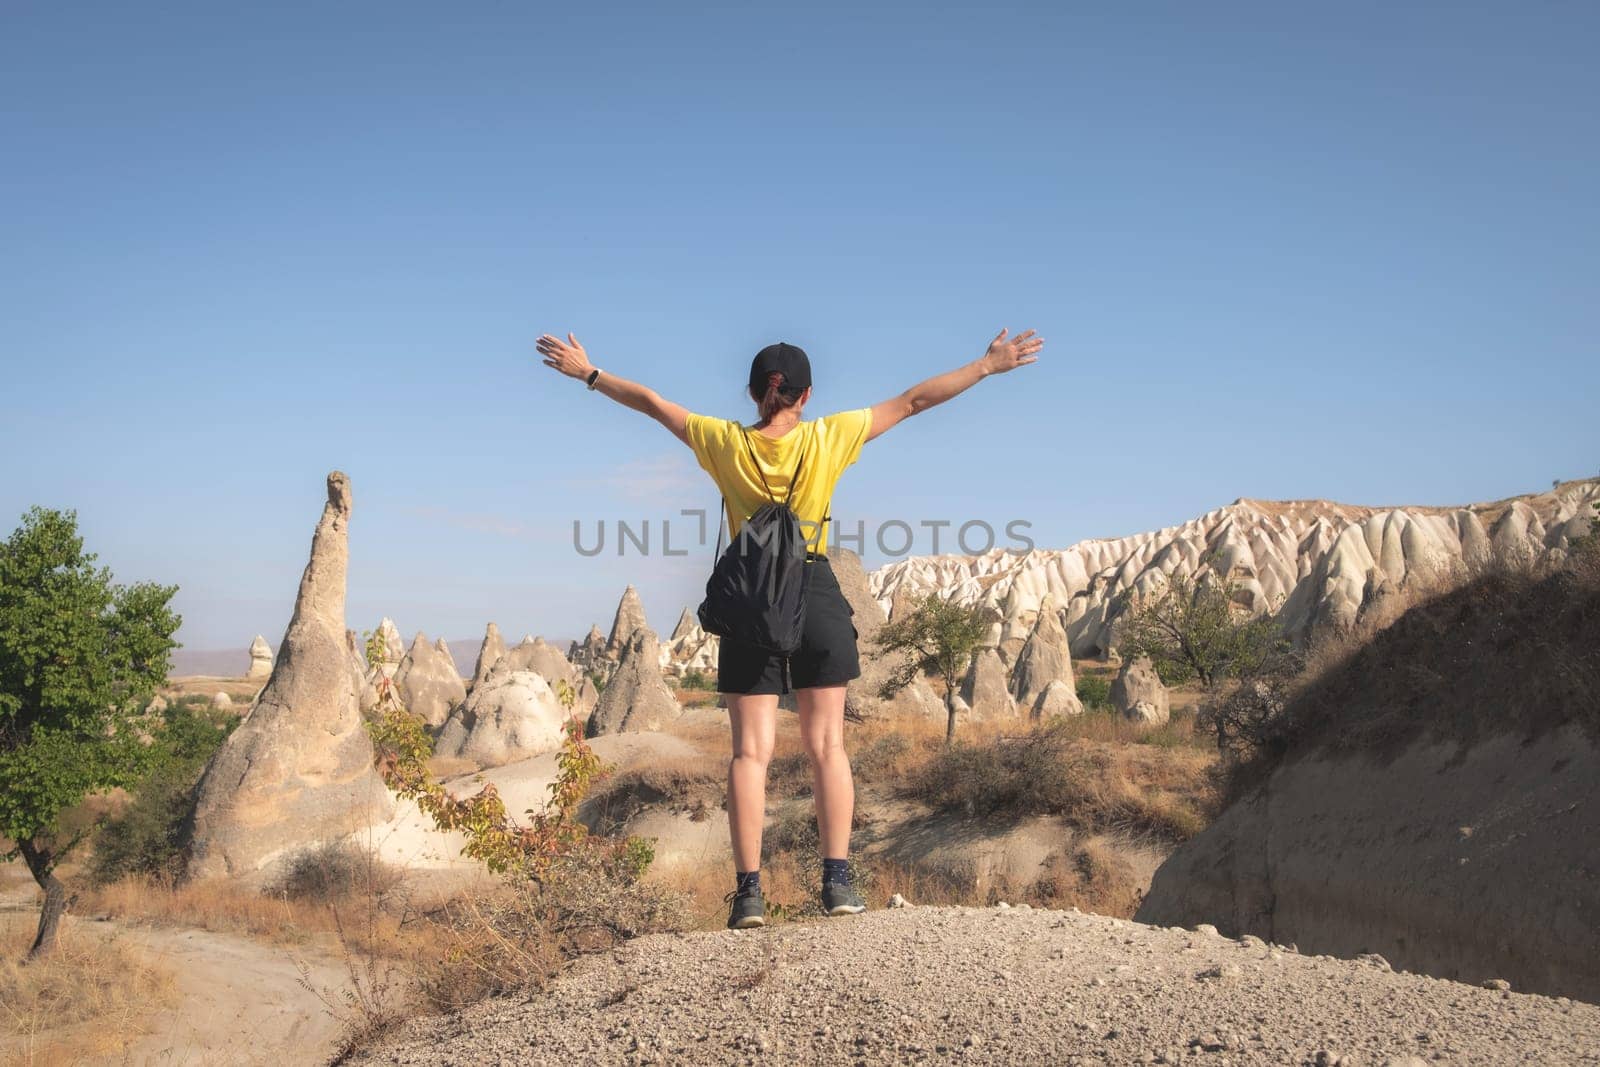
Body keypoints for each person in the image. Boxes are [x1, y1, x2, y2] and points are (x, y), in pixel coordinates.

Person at [537, 328, 1043, 928]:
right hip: (815, 592)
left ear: (753, 395)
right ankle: (837, 882)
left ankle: (748, 895)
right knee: (827, 745)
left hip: (750, 600)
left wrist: (589, 373)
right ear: (806, 396)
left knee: (750, 753)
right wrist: (986, 365)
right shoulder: (830, 436)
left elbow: (650, 401)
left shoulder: (722, 441)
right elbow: (914, 401)